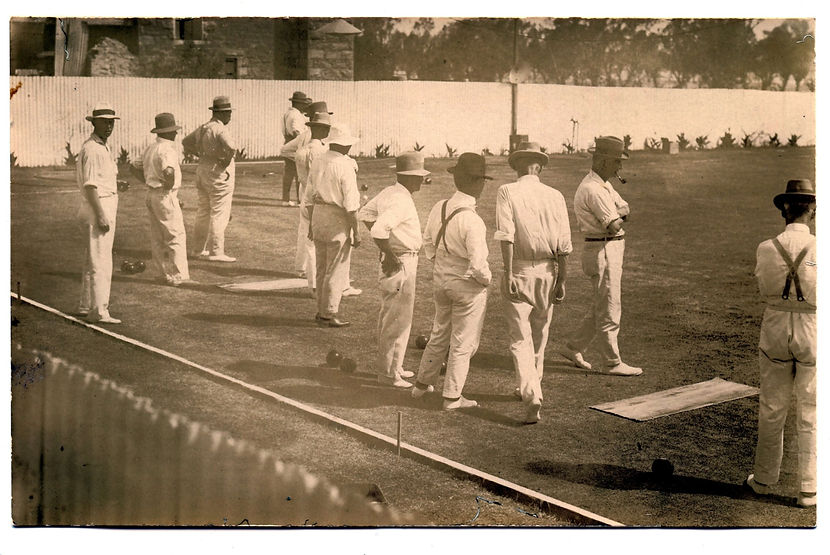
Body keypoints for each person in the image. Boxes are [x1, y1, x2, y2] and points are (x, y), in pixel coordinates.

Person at [744, 179, 816, 509]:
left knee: (772, 407)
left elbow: (763, 286)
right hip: (813, 327)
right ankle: (809, 489)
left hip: (775, 326)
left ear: (784, 209)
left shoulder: (766, 247)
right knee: (812, 409)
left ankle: (763, 479)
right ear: (811, 210)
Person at [495, 142, 572, 423]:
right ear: (539, 167)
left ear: (516, 166)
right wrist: (561, 279)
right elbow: (564, 243)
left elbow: (506, 236)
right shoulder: (555, 195)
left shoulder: (507, 191)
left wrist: (508, 273)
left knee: (520, 338)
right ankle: (532, 385)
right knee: (540, 333)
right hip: (549, 271)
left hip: (520, 268)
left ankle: (531, 393)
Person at [411, 153, 492, 410]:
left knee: (439, 333)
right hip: (466, 284)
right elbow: (478, 265)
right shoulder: (473, 220)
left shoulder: (440, 207)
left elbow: (427, 241)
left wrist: (440, 262)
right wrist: (486, 281)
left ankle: (421, 385)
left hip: (441, 278)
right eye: (482, 180)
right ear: (477, 182)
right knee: (462, 342)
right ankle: (452, 397)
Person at [559, 136, 642, 376]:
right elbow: (614, 225)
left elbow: (626, 209)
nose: (620, 167)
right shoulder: (593, 189)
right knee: (610, 308)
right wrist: (618, 214)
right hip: (602, 249)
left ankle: (573, 347)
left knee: (601, 305)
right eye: (617, 161)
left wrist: (619, 213)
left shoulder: (603, 184)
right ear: (604, 161)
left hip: (607, 248)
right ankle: (611, 363)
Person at [358, 152, 430, 388]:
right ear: (409, 177)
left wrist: (388, 248)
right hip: (401, 261)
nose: (422, 181)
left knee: (393, 316)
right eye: (419, 176)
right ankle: (388, 373)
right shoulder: (400, 200)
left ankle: (394, 366)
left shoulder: (390, 192)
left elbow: (365, 213)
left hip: (398, 258)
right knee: (397, 318)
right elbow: (379, 229)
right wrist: (389, 253)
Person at [307, 125, 361, 327]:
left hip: (318, 215)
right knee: (336, 268)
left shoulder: (318, 160)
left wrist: (311, 224)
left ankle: (321, 310)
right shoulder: (344, 165)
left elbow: (308, 196)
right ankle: (328, 313)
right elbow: (351, 204)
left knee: (322, 267)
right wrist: (356, 231)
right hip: (336, 217)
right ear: (345, 145)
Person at [133, 112, 193, 287]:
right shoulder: (167, 150)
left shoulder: (151, 148)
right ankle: (179, 275)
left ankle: (161, 274)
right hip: (164, 195)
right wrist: (168, 188)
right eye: (173, 130)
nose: (176, 133)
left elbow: (133, 167)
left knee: (157, 237)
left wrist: (149, 181)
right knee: (175, 236)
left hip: (152, 194)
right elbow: (169, 171)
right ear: (168, 132)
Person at [76, 101, 122, 324]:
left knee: (92, 259)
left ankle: (86, 305)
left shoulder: (101, 146)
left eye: (111, 122)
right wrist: (101, 214)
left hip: (101, 203)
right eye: (104, 122)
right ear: (94, 123)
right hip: (98, 207)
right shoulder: (93, 149)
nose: (109, 126)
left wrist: (115, 185)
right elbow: (90, 186)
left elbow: (99, 180)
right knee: (101, 261)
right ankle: (100, 311)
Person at [182, 95, 237, 262]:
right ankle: (217, 251)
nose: (230, 116)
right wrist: (224, 160)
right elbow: (231, 147)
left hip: (202, 170)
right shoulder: (220, 129)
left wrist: (201, 154)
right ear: (221, 113)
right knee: (219, 213)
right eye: (228, 112)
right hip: (218, 174)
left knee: (203, 212)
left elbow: (186, 142)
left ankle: (198, 249)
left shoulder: (203, 128)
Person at [295, 108, 332, 289]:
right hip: (317, 200)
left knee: (307, 237)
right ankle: (316, 284)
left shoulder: (301, 150)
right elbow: (320, 180)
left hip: (305, 196)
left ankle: (309, 277)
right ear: (322, 129)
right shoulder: (321, 152)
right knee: (316, 242)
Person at [280, 91, 312, 206]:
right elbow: (296, 131)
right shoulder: (296, 115)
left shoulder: (288, 113)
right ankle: (300, 200)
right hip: (295, 144)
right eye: (303, 104)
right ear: (298, 104)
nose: (304, 106)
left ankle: (285, 199)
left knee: (289, 173)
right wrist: (302, 143)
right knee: (300, 173)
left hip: (288, 142)